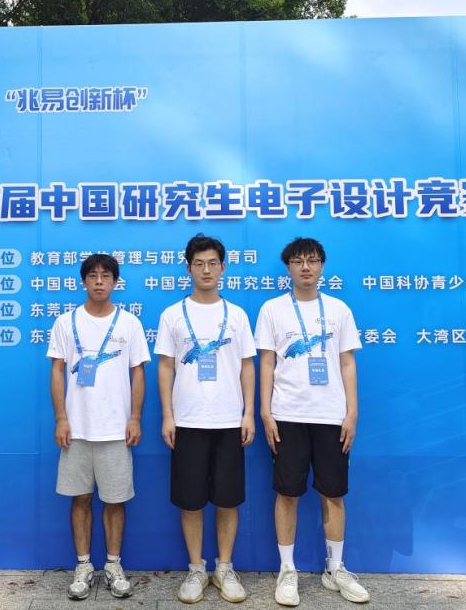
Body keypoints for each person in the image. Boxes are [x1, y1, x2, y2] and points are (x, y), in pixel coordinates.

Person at [256, 237, 369, 606]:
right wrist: (265, 411)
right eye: (298, 261)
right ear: (288, 267)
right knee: (287, 493)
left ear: (322, 266)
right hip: (287, 414)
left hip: (331, 415)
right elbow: (267, 363)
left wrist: (351, 412)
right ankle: (287, 569)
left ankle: (335, 568)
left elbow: (347, 363)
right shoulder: (272, 309)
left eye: (313, 260)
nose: (306, 267)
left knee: (333, 493)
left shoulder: (338, 309)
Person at [155, 234, 256, 604]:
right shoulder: (172, 314)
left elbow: (247, 366)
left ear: (223, 267)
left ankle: (224, 568)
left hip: (229, 421)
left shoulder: (237, 315)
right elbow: (165, 367)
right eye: (199, 264)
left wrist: (248, 412)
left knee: (228, 500)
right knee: (191, 501)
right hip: (188, 421)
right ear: (189, 268)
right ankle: (196, 568)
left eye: (213, 263)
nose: (206, 270)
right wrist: (168, 415)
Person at [48, 253, 150, 600]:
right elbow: (57, 371)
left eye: (106, 276)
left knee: (115, 501)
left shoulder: (129, 323)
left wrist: (134, 417)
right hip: (76, 430)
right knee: (80, 499)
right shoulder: (66, 322)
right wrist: (61, 418)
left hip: (115, 430)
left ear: (115, 282)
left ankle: (113, 565)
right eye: (92, 275)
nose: (99, 281)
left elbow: (138, 372)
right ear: (83, 281)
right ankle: (83, 566)